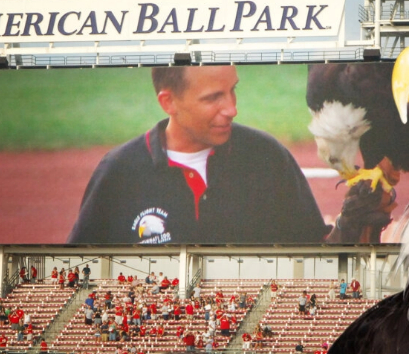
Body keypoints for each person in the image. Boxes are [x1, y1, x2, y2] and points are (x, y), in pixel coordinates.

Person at [66, 66, 332, 244]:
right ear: (168, 102)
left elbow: (313, 251)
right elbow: (79, 268)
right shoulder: (119, 172)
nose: (231, 109)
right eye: (213, 98)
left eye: (233, 91)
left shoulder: (268, 156)